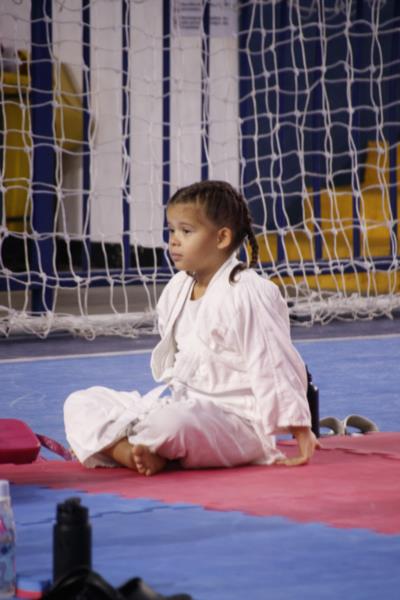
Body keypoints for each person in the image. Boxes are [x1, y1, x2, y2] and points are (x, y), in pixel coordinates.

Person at [64, 180, 318, 475]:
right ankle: (133, 452)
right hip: (185, 407)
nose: (174, 241)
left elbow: (273, 361)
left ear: (222, 238)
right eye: (172, 230)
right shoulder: (177, 288)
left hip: (238, 425)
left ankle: (127, 445)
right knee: (80, 403)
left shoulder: (248, 292)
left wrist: (300, 428)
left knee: (169, 424)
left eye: (186, 231)